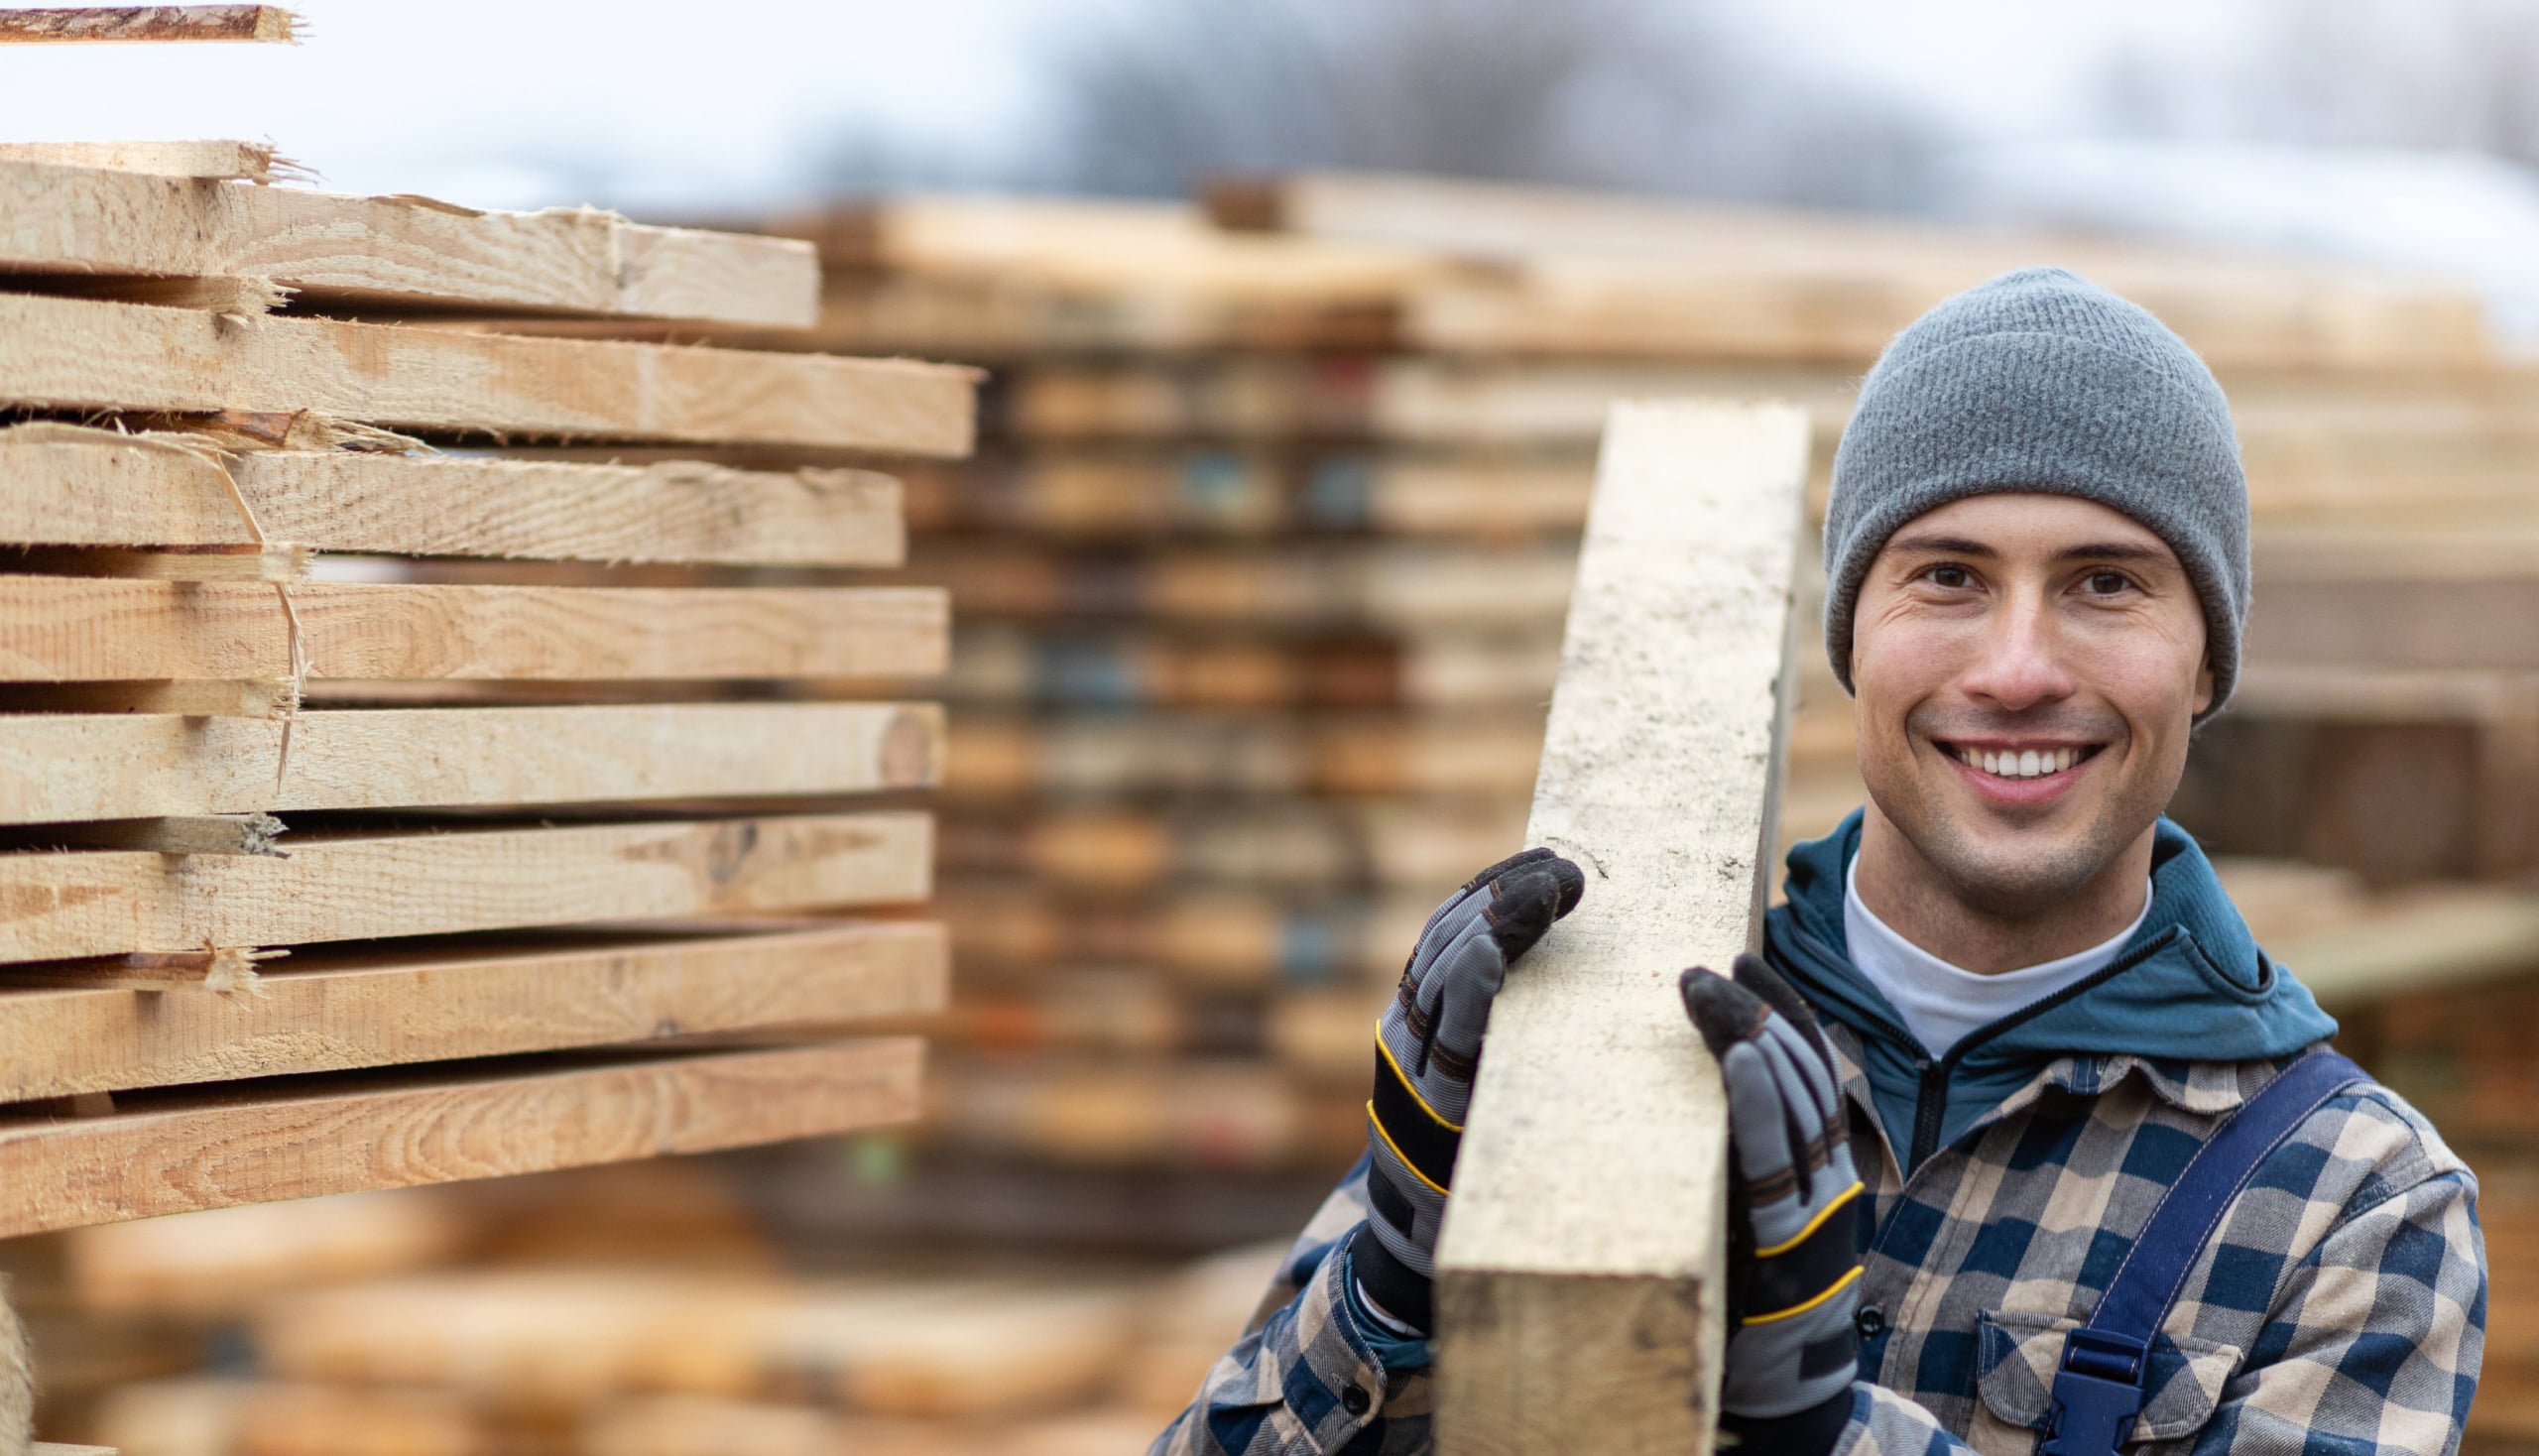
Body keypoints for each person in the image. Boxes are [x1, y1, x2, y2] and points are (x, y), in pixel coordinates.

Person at [1149, 268, 2487, 1456]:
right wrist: (1386, 1290)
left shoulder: (2348, 1206)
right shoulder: (1597, 1044)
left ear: (2206, 662)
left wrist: (1818, 1428)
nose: (2017, 668)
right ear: (1854, 638)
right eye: (1948, 576)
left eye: (2106, 583)